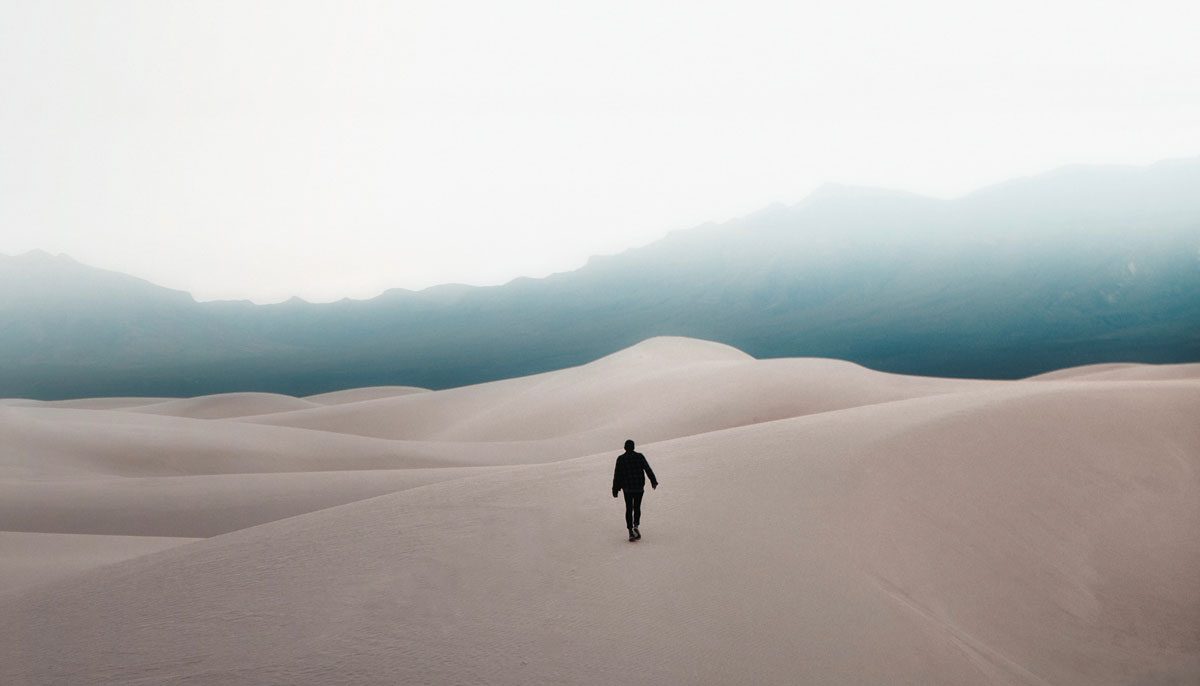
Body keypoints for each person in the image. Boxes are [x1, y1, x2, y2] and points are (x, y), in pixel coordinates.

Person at [612, 439, 658, 541]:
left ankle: (630, 531)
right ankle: (636, 525)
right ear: (633, 447)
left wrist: (615, 489)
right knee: (637, 507)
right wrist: (653, 481)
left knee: (629, 508)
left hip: (627, 489)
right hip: (639, 488)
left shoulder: (621, 459)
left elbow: (617, 475)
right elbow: (647, 469)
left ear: (625, 448)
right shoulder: (639, 456)